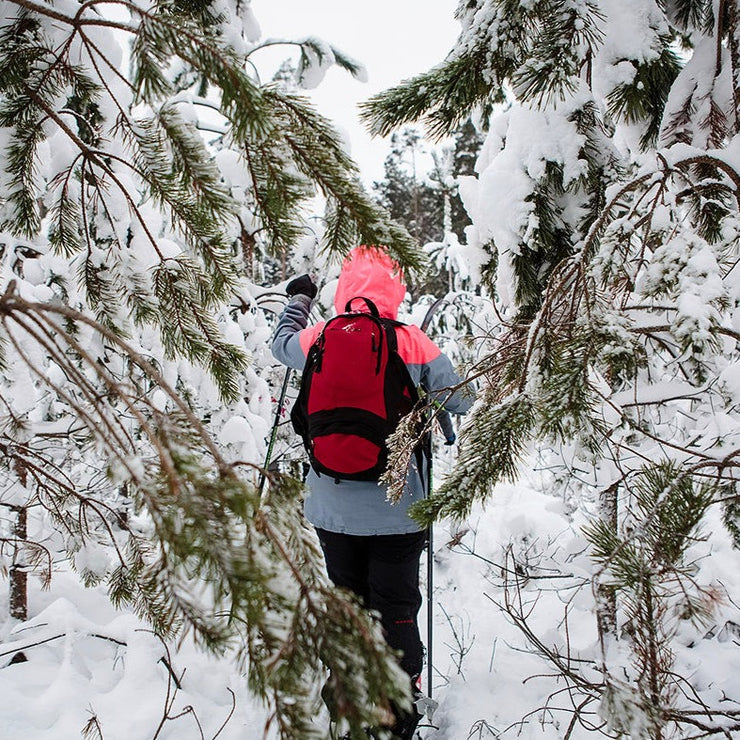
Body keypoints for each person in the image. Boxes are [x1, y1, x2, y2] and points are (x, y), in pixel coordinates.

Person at [271, 245, 472, 739]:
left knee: (348, 602)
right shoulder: (410, 340)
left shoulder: (320, 336)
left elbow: (280, 345)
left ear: (344, 288)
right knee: (396, 605)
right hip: (398, 510)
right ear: (394, 289)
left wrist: (299, 300)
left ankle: (348, 697)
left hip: (331, 508)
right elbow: (462, 399)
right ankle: (398, 711)